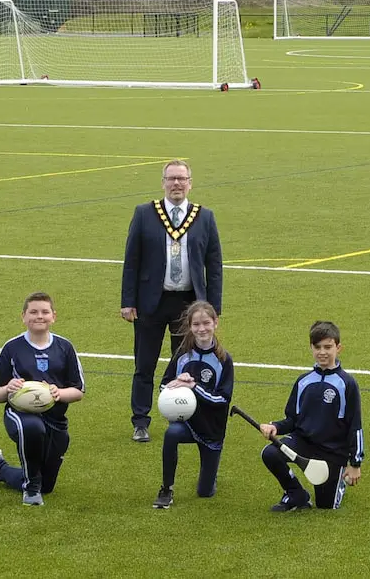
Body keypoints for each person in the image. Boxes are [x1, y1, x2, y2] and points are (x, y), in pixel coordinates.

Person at [121, 160, 223, 443]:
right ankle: (140, 421)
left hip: (189, 305)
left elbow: (214, 265)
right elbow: (132, 260)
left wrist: (213, 307)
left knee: (185, 363)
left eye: (182, 179)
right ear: (163, 182)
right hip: (150, 302)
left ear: (190, 182)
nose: (177, 184)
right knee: (144, 364)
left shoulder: (204, 216)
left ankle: (183, 414)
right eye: (171, 179)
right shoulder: (144, 213)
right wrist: (127, 301)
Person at [0, 293, 86, 506]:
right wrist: (8, 388)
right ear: (23, 316)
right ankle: (31, 491)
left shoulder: (65, 347)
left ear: (53, 316)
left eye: (44, 312)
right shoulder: (12, 347)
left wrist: (59, 393)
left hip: (55, 418)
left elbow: (78, 391)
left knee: (47, 486)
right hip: (19, 414)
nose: (39, 316)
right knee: (32, 428)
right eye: (33, 312)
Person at [259, 321, 363, 512]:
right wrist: (275, 427)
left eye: (328, 347)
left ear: (338, 348)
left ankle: (338, 480)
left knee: (326, 506)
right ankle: (295, 493)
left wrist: (355, 464)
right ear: (311, 348)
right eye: (317, 347)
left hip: (332, 451)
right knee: (270, 453)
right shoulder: (303, 381)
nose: (322, 352)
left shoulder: (347, 383)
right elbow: (292, 419)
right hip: (304, 443)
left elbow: (355, 426)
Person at [152, 301, 233, 510]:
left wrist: (194, 387)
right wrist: (176, 384)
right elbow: (163, 385)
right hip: (187, 423)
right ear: (190, 326)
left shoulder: (224, 360)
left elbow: (222, 400)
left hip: (211, 428)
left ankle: (210, 478)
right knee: (171, 434)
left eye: (206, 323)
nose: (201, 329)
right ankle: (166, 488)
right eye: (196, 324)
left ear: (215, 323)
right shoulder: (182, 353)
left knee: (205, 493)